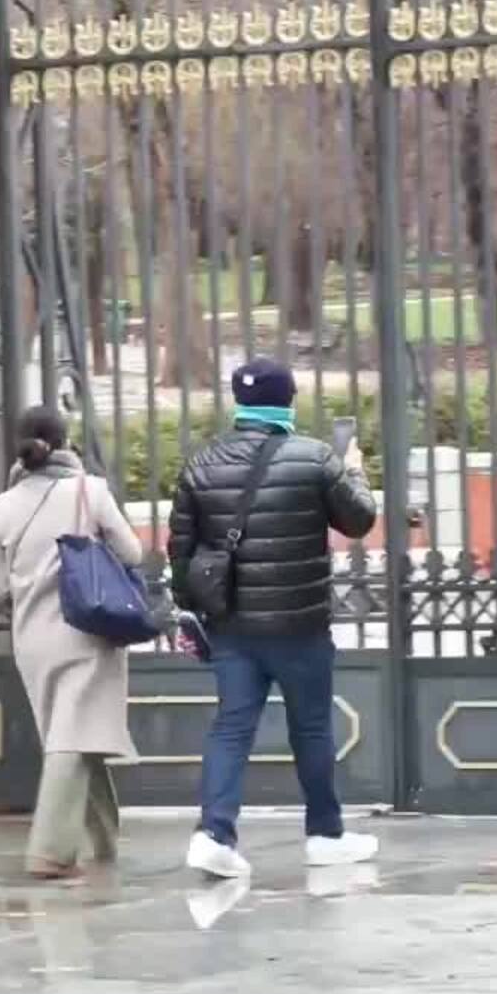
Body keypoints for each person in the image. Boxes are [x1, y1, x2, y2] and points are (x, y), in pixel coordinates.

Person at [168, 358, 379, 879]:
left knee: (231, 727)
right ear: (287, 401)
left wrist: (194, 615)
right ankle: (325, 834)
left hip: (232, 628)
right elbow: (359, 520)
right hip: (300, 628)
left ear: (240, 404)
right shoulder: (315, 460)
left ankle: (214, 833)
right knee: (310, 728)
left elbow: (180, 554)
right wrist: (354, 469)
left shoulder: (201, 464)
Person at [0, 405, 145, 879]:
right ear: (63, 443)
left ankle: (104, 843)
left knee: (72, 734)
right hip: (85, 632)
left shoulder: (1, 505)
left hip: (31, 639)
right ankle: (50, 851)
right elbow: (132, 552)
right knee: (73, 737)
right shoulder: (88, 492)